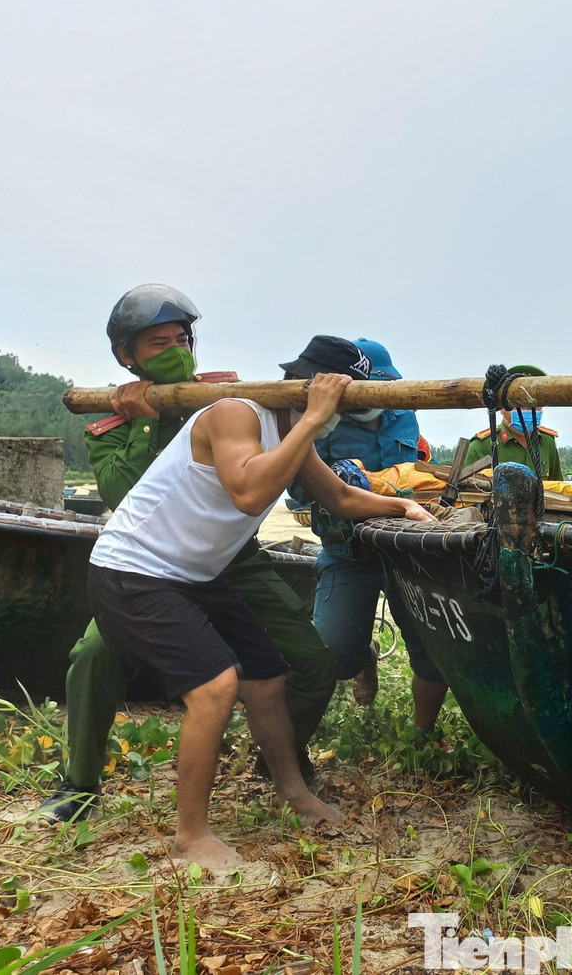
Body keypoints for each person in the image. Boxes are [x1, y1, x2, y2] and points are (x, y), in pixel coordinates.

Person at [89, 366, 432, 869]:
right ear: (310, 391)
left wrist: (400, 506)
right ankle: (191, 836)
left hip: (198, 574)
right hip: (136, 569)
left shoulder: (292, 434)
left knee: (267, 677)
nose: (340, 418)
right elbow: (248, 493)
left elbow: (336, 496)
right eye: (340, 406)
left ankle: (293, 792)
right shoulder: (235, 414)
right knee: (215, 688)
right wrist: (314, 419)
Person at [37, 285, 339, 823]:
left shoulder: (222, 399)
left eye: (183, 339)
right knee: (92, 656)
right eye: (159, 343)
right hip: (158, 566)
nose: (176, 350)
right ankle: (79, 782)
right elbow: (119, 494)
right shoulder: (110, 425)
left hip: (234, 560)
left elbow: (309, 481)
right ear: (128, 356)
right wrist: (146, 421)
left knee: (311, 660)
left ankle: (283, 765)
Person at [285, 336, 450, 733]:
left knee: (433, 652)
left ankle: (423, 734)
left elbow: (414, 469)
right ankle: (363, 656)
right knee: (334, 654)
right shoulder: (319, 419)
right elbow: (301, 492)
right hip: (348, 550)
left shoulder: (403, 409)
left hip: (407, 552)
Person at [463, 365, 564, 481]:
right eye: (518, 404)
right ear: (501, 408)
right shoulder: (481, 445)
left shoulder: (547, 442)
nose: (527, 411)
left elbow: (558, 487)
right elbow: (466, 492)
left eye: (534, 405)